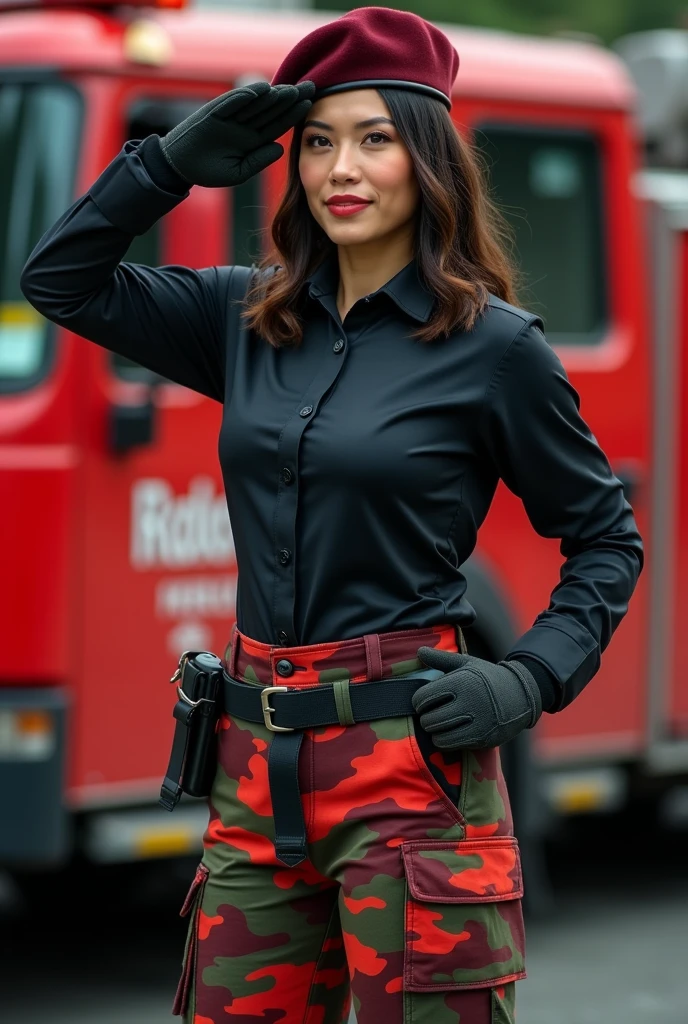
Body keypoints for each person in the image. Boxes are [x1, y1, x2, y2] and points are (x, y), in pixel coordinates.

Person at [20, 7, 643, 1023]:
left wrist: (529, 677)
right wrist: (166, 163)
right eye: (317, 142)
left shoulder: (494, 349)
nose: (338, 168)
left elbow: (604, 535)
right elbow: (57, 278)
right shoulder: (246, 319)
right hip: (253, 770)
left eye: (372, 138)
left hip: (410, 768)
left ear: (428, 158)